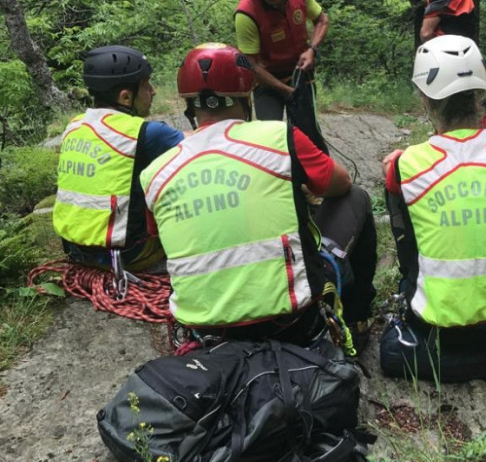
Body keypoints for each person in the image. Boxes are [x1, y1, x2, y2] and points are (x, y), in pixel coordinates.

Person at [140, 43, 376, 348]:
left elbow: (159, 241)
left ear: (189, 106)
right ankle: (356, 318)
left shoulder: (156, 172)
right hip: (293, 322)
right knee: (356, 198)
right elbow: (340, 184)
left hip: (208, 332)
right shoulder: (279, 137)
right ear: (246, 97)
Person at [379, 35, 486, 381]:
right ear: (480, 95)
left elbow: (408, 252)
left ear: (424, 99)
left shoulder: (406, 165)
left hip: (440, 337)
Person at [53, 45, 183, 272]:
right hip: (129, 254)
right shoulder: (146, 133)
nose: (153, 91)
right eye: (146, 85)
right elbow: (201, 148)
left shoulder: (74, 126)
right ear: (125, 97)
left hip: (76, 250)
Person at [235, 0, 329, 138]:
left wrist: (312, 49)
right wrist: (285, 90)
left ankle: (311, 168)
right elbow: (251, 66)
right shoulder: (246, 13)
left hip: (300, 75)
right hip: (267, 83)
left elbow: (321, 20)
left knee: (308, 136)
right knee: (270, 139)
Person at [402, 0, 486, 131]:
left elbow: (425, 32)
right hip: (465, 52)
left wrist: (429, 54)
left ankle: (456, 135)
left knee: (446, 100)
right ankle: (485, 130)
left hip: (449, 56)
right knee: (469, 98)